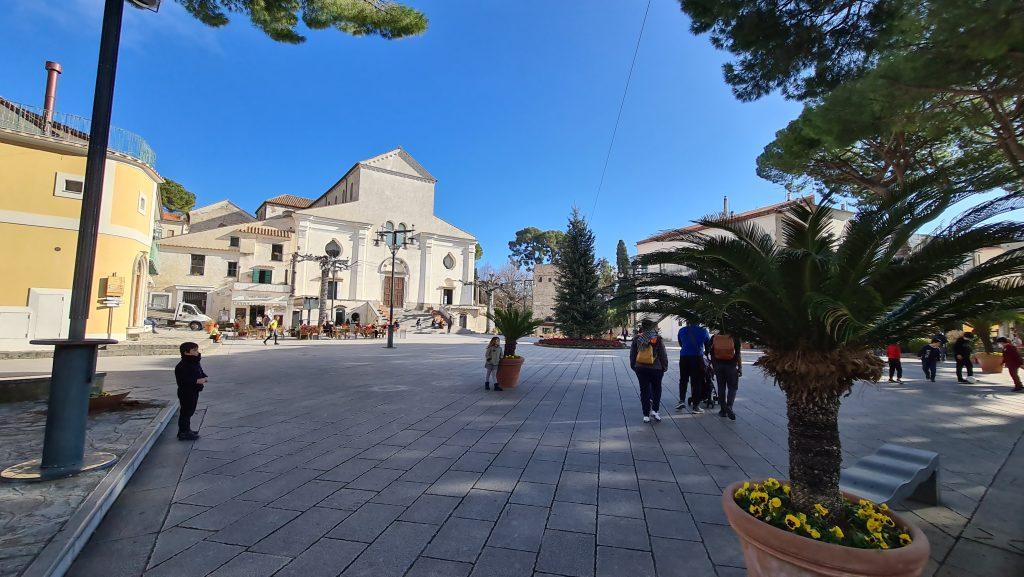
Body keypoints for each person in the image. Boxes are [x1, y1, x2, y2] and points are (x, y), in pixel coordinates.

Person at [630, 319, 668, 423]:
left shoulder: (637, 338)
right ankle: (655, 411)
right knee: (657, 389)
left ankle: (645, 415)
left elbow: (633, 354)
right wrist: (664, 366)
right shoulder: (657, 338)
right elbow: (663, 354)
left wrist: (634, 366)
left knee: (644, 391)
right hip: (656, 369)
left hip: (641, 368)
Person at [174, 342, 207, 441]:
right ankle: (183, 432)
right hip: (186, 392)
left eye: (197, 350)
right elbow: (183, 380)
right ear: (186, 353)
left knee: (190, 411)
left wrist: (203, 376)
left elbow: (198, 370)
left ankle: (187, 429)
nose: (197, 352)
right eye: (194, 350)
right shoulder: (182, 365)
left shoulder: (194, 361)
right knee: (186, 412)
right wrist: (197, 381)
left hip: (194, 390)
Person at [676, 321, 711, 413]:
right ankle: (696, 406)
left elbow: (681, 344)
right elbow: (708, 346)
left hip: (684, 357)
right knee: (696, 382)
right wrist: (705, 353)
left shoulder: (682, 330)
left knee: (683, 379)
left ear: (687, 321)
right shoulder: (703, 331)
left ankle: (681, 400)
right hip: (697, 358)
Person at [709, 330, 742, 420]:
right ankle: (729, 406)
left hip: (719, 366)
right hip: (731, 366)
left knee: (721, 387)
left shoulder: (714, 337)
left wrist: (714, 366)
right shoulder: (734, 337)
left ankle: (723, 410)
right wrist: (740, 367)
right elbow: (738, 353)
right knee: (733, 387)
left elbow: (710, 352)